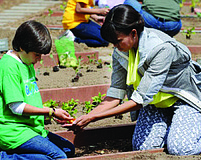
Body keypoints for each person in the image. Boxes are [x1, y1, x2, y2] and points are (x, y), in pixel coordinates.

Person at [64, 4, 201, 156]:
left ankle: (185, 124)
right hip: (155, 103)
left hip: (184, 99)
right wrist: (88, 116)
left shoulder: (160, 49)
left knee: (181, 148)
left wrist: (95, 117)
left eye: (118, 41)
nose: (115, 46)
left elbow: (140, 99)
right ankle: (174, 124)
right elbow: (115, 93)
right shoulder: (120, 51)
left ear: (133, 33)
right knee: (144, 148)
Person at [0, 20, 75, 160]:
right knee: (59, 157)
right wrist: (51, 111)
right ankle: (0, 157)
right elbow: (17, 107)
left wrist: (52, 115)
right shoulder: (9, 67)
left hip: (29, 128)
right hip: (11, 130)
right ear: (22, 47)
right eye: (37, 54)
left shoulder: (26, 62)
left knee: (68, 149)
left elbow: (28, 100)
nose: (39, 59)